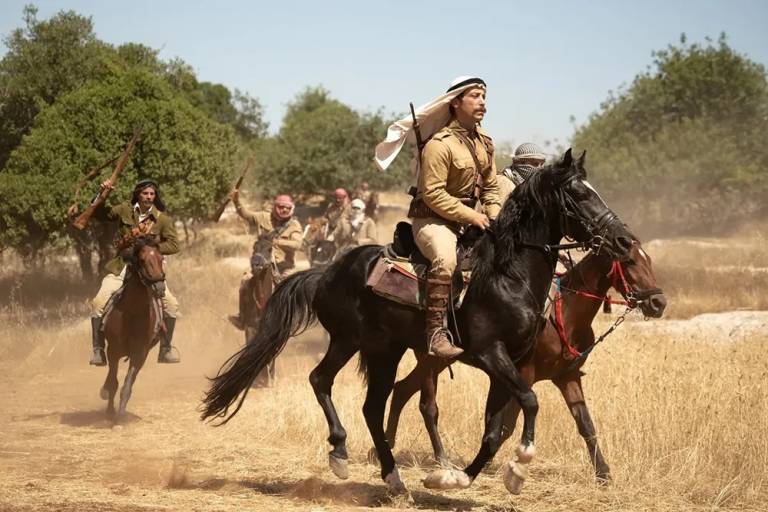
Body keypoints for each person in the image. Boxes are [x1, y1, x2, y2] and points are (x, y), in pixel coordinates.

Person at [375, 76, 501, 358]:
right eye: (475, 96)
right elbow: (433, 194)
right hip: (433, 220)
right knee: (446, 259)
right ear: (456, 103)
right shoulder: (439, 144)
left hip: (470, 219)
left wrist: (493, 215)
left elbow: (491, 187)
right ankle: (435, 334)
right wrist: (472, 216)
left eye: (484, 96)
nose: (482, 101)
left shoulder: (485, 143)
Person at [88, 179, 181, 366]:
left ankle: (165, 349)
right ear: (138, 194)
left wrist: (151, 251)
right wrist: (102, 194)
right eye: (145, 193)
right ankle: (98, 350)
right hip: (123, 265)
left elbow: (173, 244)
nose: (149, 197)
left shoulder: (162, 219)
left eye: (152, 194)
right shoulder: (124, 209)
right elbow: (100, 214)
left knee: (171, 305)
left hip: (148, 270)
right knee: (98, 302)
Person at [228, 191, 303, 330]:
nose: (284, 210)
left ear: (291, 208)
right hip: (261, 264)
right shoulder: (263, 217)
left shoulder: (294, 225)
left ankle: (291, 320)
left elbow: (297, 244)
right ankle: (242, 317)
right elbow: (246, 214)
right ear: (275, 206)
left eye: (287, 207)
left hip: (283, 268)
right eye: (281, 207)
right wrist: (236, 201)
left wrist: (277, 242)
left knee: (291, 288)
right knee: (245, 282)